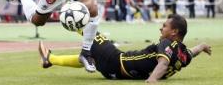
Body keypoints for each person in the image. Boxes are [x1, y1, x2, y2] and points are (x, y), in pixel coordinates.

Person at [38, 14, 211, 83]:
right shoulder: (182, 55)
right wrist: (202, 46)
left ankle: (62, 12)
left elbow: (163, 64)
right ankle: (50, 59)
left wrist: (152, 81)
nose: (161, 28)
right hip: (115, 73)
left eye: (164, 26)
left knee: (88, 28)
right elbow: (190, 53)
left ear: (174, 32)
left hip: (115, 60)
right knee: (89, 57)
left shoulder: (167, 43)